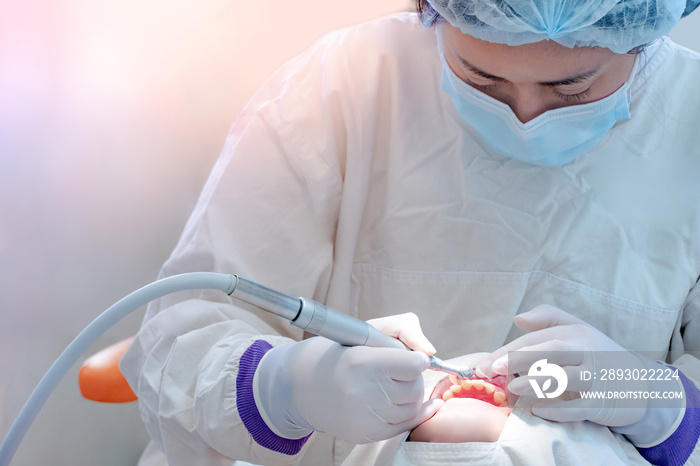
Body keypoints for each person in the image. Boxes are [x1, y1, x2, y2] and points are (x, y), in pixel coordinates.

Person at [120, 0, 700, 464]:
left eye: (573, 88)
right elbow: (178, 347)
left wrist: (663, 405)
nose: (526, 118)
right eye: (482, 78)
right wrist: (284, 388)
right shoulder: (340, 89)